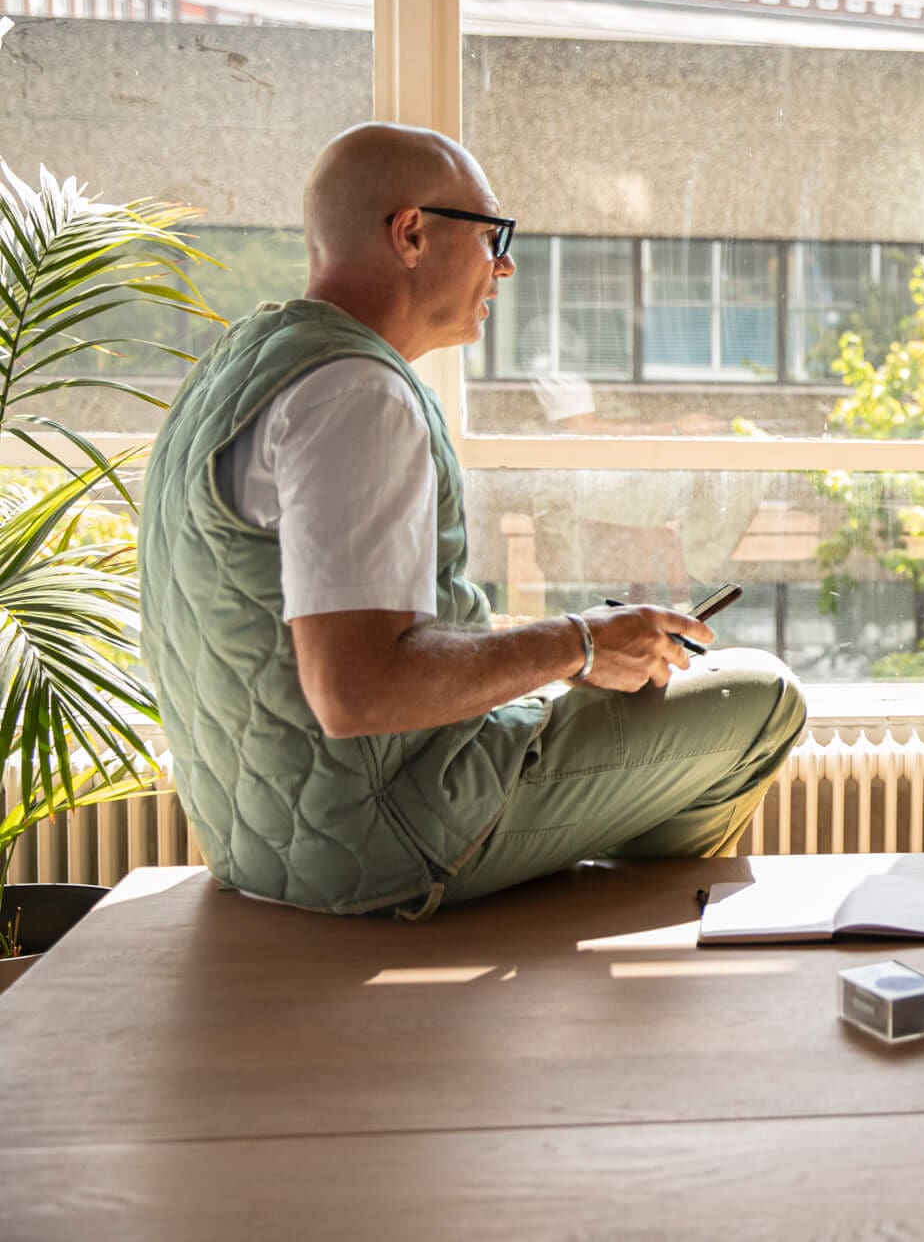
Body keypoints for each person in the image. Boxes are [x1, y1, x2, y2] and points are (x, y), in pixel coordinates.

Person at [141, 123, 807, 918]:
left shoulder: (239, 368)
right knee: (764, 697)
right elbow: (355, 689)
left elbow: (355, 632)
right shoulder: (357, 394)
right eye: (493, 235)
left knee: (627, 690)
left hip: (261, 837)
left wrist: (583, 641)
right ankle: (632, 933)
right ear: (411, 232)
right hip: (378, 838)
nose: (506, 263)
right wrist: (579, 642)